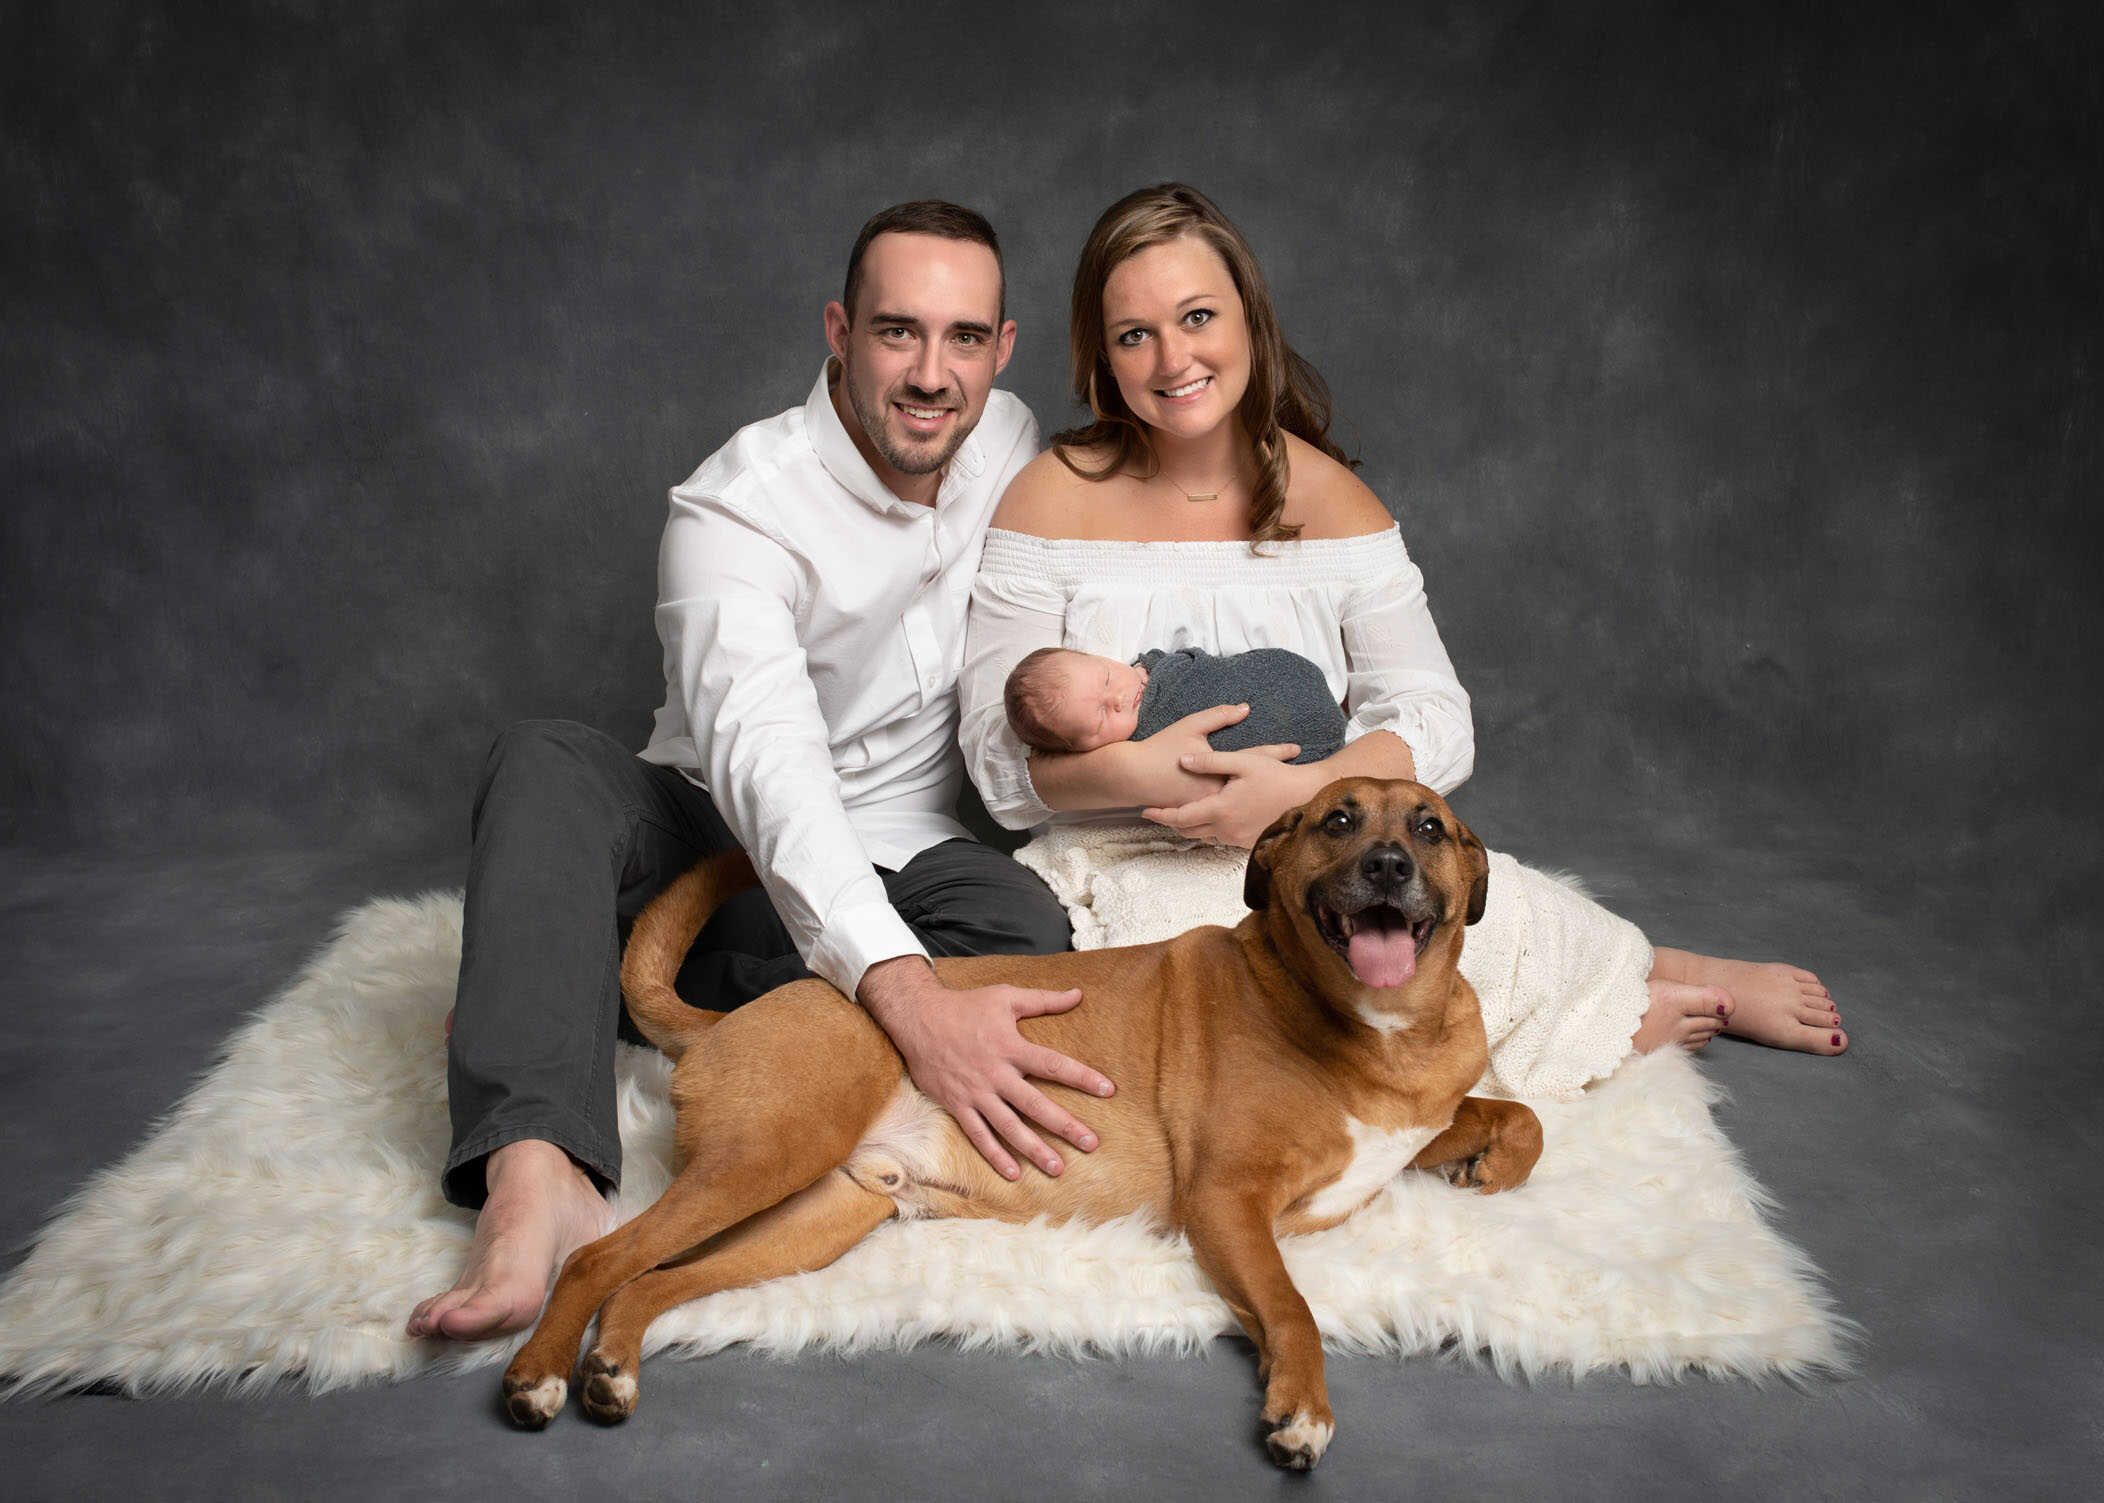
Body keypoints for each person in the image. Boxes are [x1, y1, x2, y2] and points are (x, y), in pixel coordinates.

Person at [958, 183, 1846, 1098]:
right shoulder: (1049, 499)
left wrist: (1295, 795)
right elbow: (997, 764)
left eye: (1197, 317)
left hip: (1315, 835)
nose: (1172, 356)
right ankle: (1596, 1009)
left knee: (1482, 896)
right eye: (1134, 334)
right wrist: (1144, 777)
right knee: (1232, 983)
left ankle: (1661, 963)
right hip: (1117, 856)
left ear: (1250, 324)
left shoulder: (1331, 499)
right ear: (1101, 355)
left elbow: (1435, 715)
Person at [407, 201, 1118, 1343]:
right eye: (897, 333)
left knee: (1026, 937)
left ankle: (579, 982)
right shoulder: (733, 509)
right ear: (838, 330)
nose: (932, 374)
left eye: (964, 339)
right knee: (543, 759)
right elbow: (771, 776)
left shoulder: (1011, 442)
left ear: (1003, 347)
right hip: (712, 830)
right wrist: (901, 996)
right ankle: (540, 1175)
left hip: (904, 845)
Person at [1003, 644, 1347, 761]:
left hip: (1287, 678)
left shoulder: (1157, 668)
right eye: (1101, 717)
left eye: (1108, 677)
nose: (1120, 698)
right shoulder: (1141, 748)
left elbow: (1199, 664)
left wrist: (1157, 667)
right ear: (1085, 750)